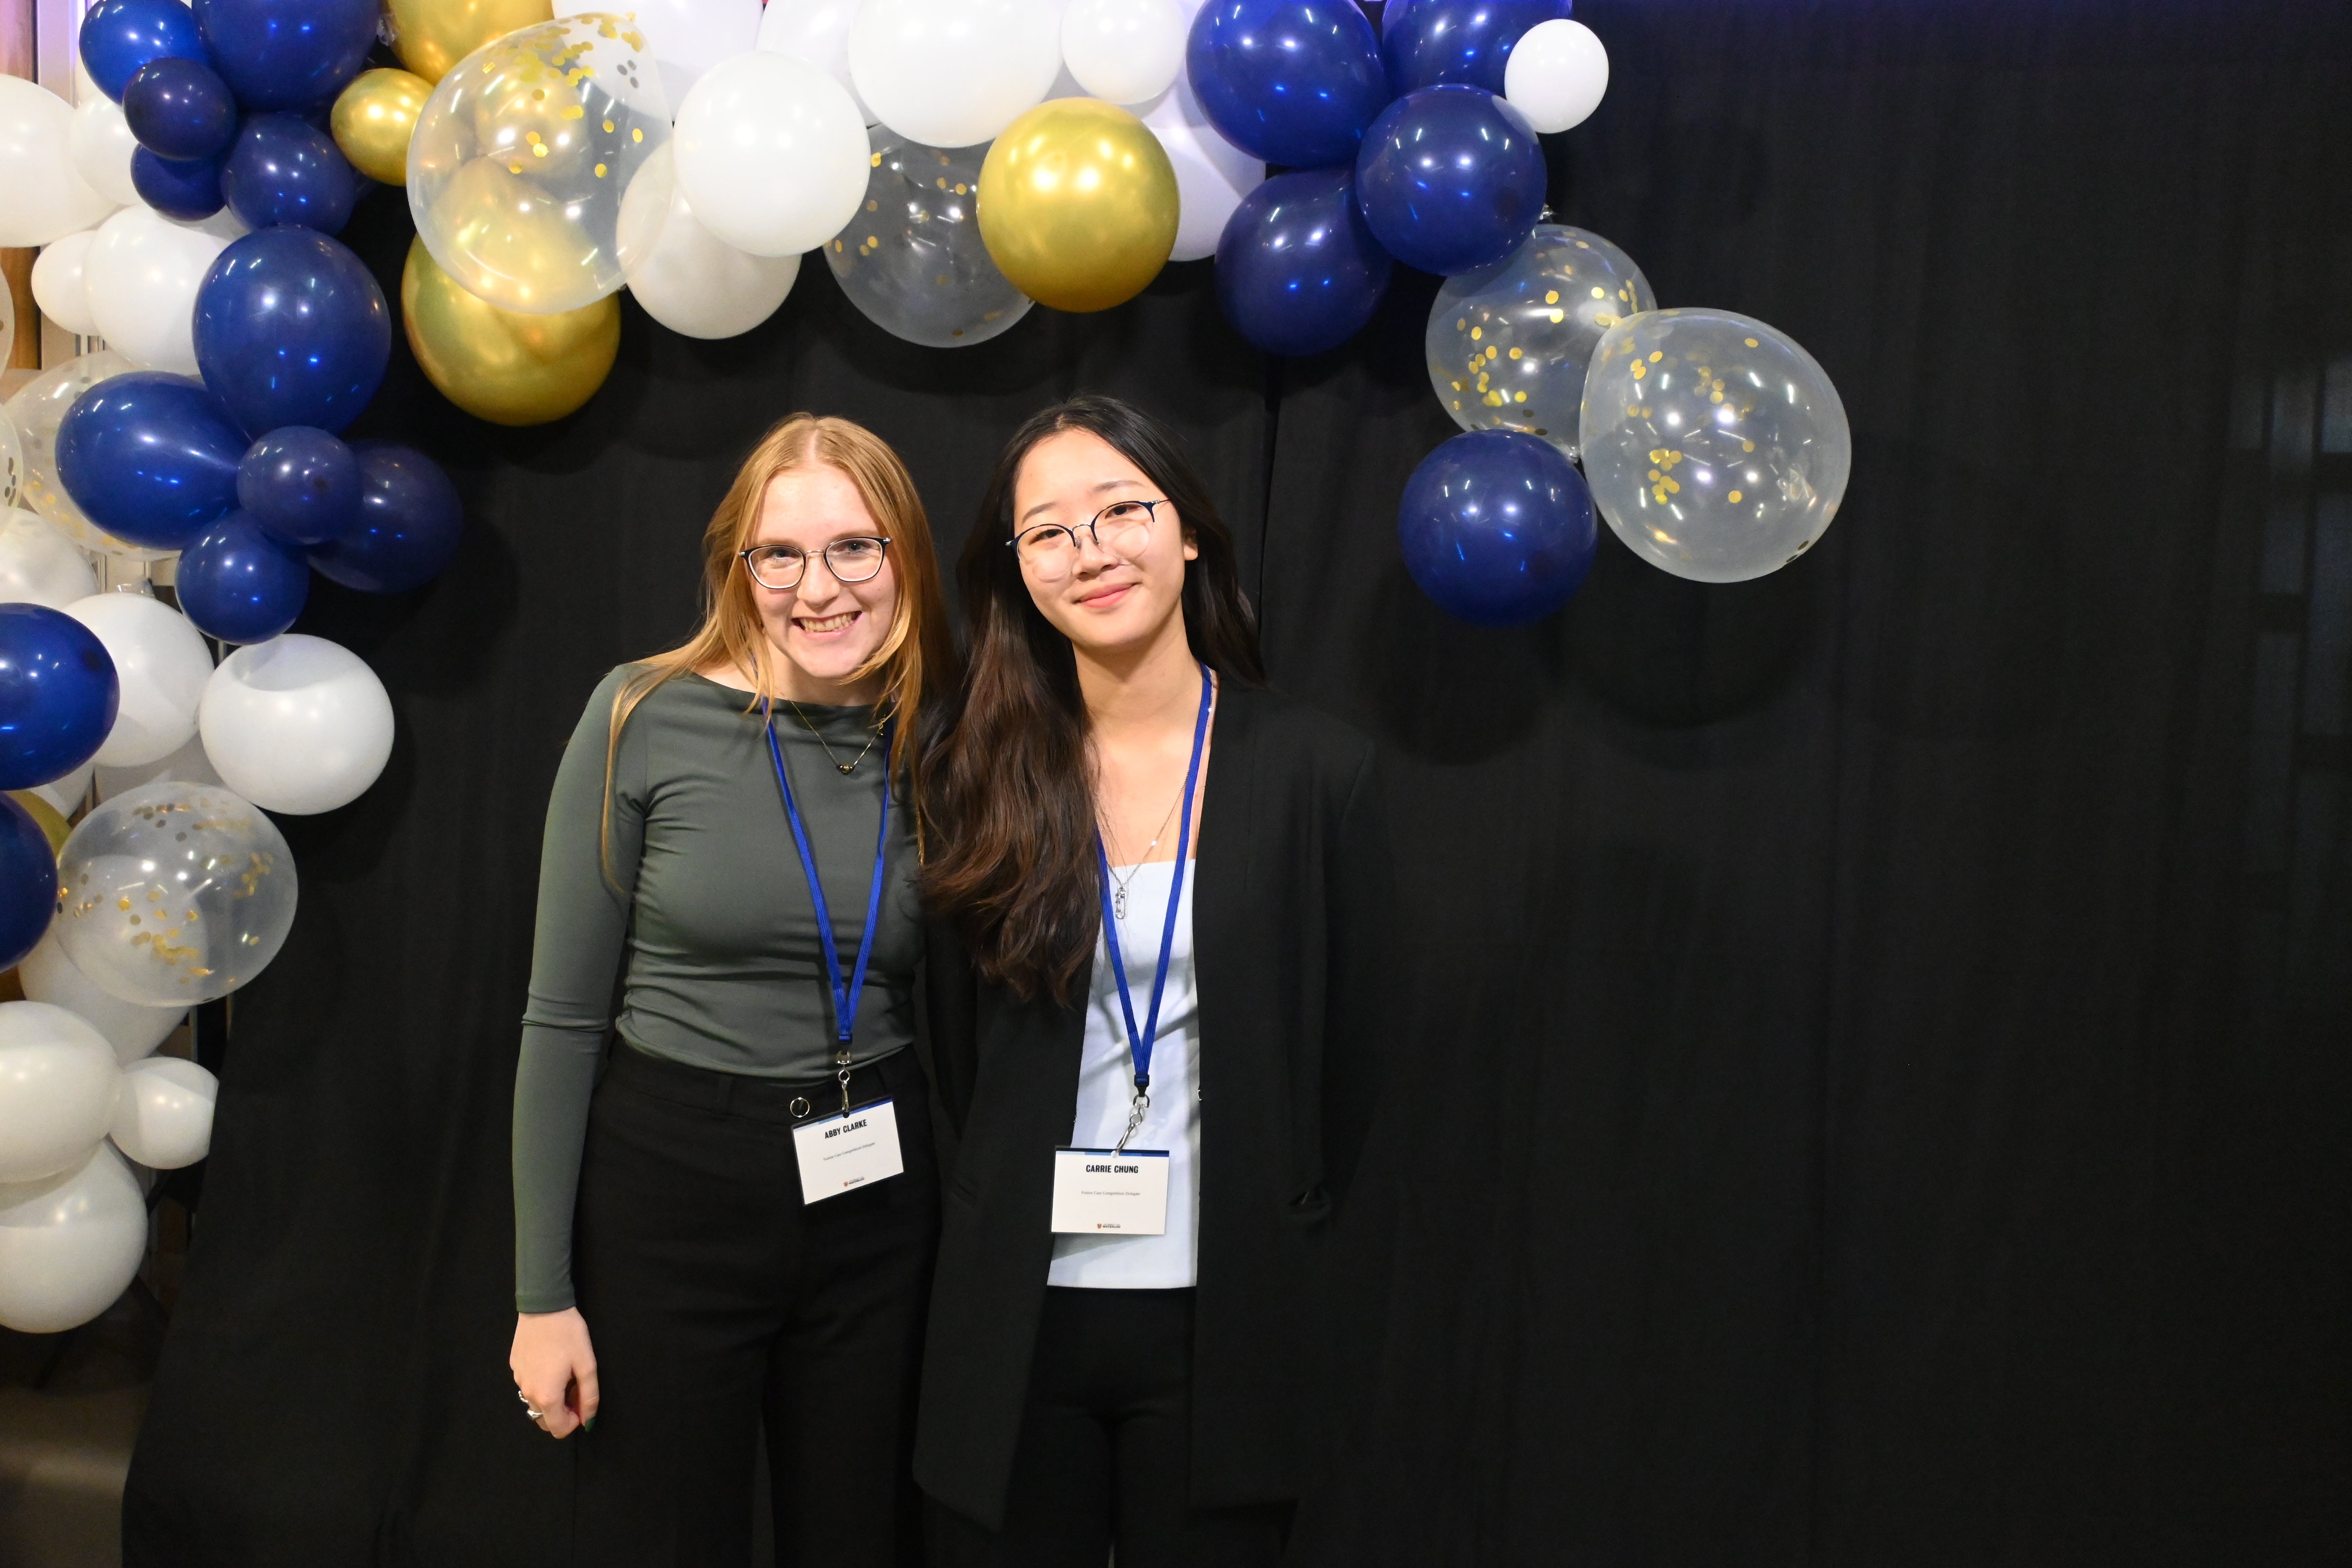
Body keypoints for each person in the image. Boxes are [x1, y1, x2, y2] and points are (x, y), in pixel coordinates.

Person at [915, 394, 1388, 1565]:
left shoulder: (1315, 773)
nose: (1092, 551)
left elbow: (1353, 1062)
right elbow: (951, 1054)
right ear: (1018, 569)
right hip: (1020, 1314)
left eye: (1122, 509)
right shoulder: (974, 775)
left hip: (1224, 1314)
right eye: (1050, 531)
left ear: (1187, 532)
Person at [508, 413, 955, 1566]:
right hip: (675, 1187)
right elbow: (561, 1023)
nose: (820, 587)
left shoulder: (946, 734)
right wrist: (540, 1298)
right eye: (782, 556)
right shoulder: (641, 716)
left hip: (879, 1189)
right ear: (737, 570)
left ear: (904, 552)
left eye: (856, 547)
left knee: (857, 1534)